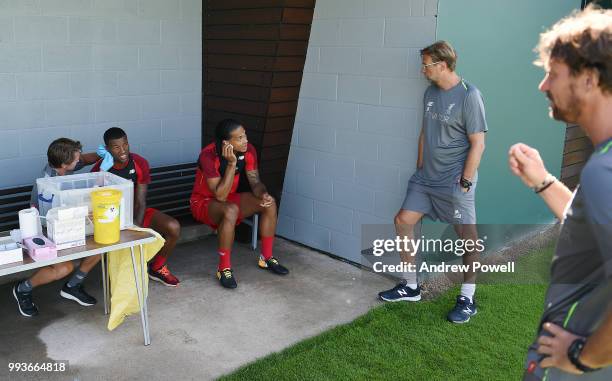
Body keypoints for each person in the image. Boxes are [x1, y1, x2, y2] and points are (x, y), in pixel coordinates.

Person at [508, 6, 612, 380]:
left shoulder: (604, 170)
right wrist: (543, 181)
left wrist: (585, 357)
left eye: (553, 74)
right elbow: (588, 230)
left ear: (588, 78)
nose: (544, 86)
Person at [377, 40, 488, 324]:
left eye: (426, 64)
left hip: (454, 181)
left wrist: (464, 182)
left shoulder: (469, 96)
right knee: (403, 221)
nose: (422, 70)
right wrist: (420, 168)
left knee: (468, 240)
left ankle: (467, 297)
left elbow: (478, 144)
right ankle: (411, 285)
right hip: (425, 179)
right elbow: (425, 134)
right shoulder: (429, 93)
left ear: (442, 65)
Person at [190, 119, 289, 289]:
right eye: (240, 138)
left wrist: (263, 194)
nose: (246, 141)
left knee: (268, 204)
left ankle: (266, 257)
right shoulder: (208, 156)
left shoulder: (249, 150)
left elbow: (255, 181)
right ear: (226, 143)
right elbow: (220, 196)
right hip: (204, 203)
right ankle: (224, 268)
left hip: (230, 200)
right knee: (230, 209)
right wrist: (232, 163)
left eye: (245, 136)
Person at [13, 138, 101, 317]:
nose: (79, 161)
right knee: (64, 268)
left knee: (100, 246)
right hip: (49, 229)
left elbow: (86, 159)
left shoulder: (61, 165)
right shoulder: (49, 183)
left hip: (69, 223)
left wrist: (103, 154)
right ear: (64, 164)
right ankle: (22, 289)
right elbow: (45, 215)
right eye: (76, 159)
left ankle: (72, 286)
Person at [92, 127, 181, 287]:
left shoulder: (139, 162)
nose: (123, 150)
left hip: (136, 213)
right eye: (116, 147)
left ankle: (157, 267)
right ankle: (117, 275)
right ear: (107, 149)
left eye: (125, 144)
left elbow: (141, 201)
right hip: (111, 219)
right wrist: (100, 174)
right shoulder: (101, 167)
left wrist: (136, 231)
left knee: (173, 227)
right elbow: (95, 201)